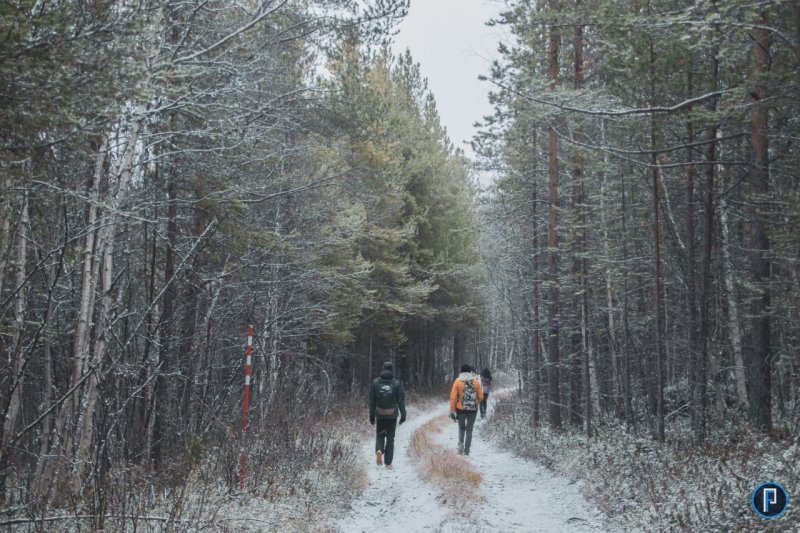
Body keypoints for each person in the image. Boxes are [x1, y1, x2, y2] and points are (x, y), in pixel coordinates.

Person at [369, 361, 406, 469]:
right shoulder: (396, 383)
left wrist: (371, 415)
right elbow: (400, 400)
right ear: (392, 370)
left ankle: (379, 450)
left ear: (383, 368)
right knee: (390, 438)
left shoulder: (375, 382)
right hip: (392, 415)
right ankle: (388, 463)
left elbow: (372, 401)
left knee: (380, 435)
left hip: (380, 414)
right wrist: (403, 414)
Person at [449, 363, 484, 456]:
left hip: (460, 409)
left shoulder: (457, 381)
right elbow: (481, 396)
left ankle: (460, 449)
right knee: (469, 430)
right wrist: (474, 403)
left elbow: (453, 397)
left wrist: (452, 411)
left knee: (461, 429)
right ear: (470, 371)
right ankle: (467, 451)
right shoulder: (476, 382)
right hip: (473, 410)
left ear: (461, 371)